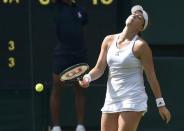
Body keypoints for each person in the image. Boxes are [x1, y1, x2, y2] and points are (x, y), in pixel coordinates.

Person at [80, 5, 171, 131]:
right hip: (111, 98)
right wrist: (87, 77)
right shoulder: (108, 40)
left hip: (133, 98)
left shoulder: (141, 46)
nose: (134, 15)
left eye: (139, 17)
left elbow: (151, 77)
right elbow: (99, 69)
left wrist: (161, 104)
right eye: (134, 13)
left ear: (141, 27)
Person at [49, 0, 88, 131]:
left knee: (80, 89)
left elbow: (83, 21)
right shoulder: (56, 7)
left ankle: (80, 126)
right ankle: (56, 127)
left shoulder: (80, 10)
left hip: (79, 54)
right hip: (62, 54)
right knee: (57, 88)